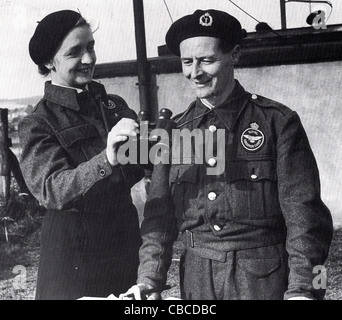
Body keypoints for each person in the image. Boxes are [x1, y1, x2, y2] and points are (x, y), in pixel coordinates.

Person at [120, 9, 333, 300]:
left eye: (207, 60)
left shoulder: (278, 123)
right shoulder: (173, 131)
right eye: (187, 61)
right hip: (196, 282)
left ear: (234, 55)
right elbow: (158, 221)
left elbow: (308, 220)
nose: (195, 72)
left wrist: (306, 291)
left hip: (263, 280)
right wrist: (148, 281)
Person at [19, 10, 145, 300]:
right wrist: (107, 159)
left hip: (124, 241)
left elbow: (143, 162)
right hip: (75, 250)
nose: (88, 59)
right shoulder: (38, 122)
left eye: (91, 47)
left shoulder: (113, 105)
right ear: (49, 61)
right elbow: (51, 190)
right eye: (75, 52)